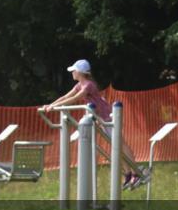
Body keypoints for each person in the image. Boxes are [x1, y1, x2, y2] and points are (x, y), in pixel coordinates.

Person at [44, 59, 146, 188]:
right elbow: (65, 97)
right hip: (99, 118)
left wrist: (54, 107)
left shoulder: (88, 85)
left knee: (120, 145)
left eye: (74, 70)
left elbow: (75, 98)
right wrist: (51, 105)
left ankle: (135, 172)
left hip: (107, 117)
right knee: (115, 147)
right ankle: (127, 173)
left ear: (80, 72)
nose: (72, 73)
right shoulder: (79, 85)